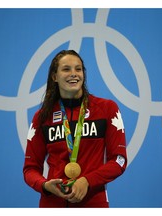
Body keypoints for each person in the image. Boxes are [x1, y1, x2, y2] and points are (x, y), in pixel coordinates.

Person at [23, 50, 127, 207]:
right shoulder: (42, 117)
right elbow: (30, 169)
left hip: (93, 203)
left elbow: (119, 160)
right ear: (54, 76)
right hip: (52, 204)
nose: (74, 74)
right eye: (66, 69)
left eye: (78, 69)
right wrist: (45, 186)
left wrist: (87, 181)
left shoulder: (107, 109)